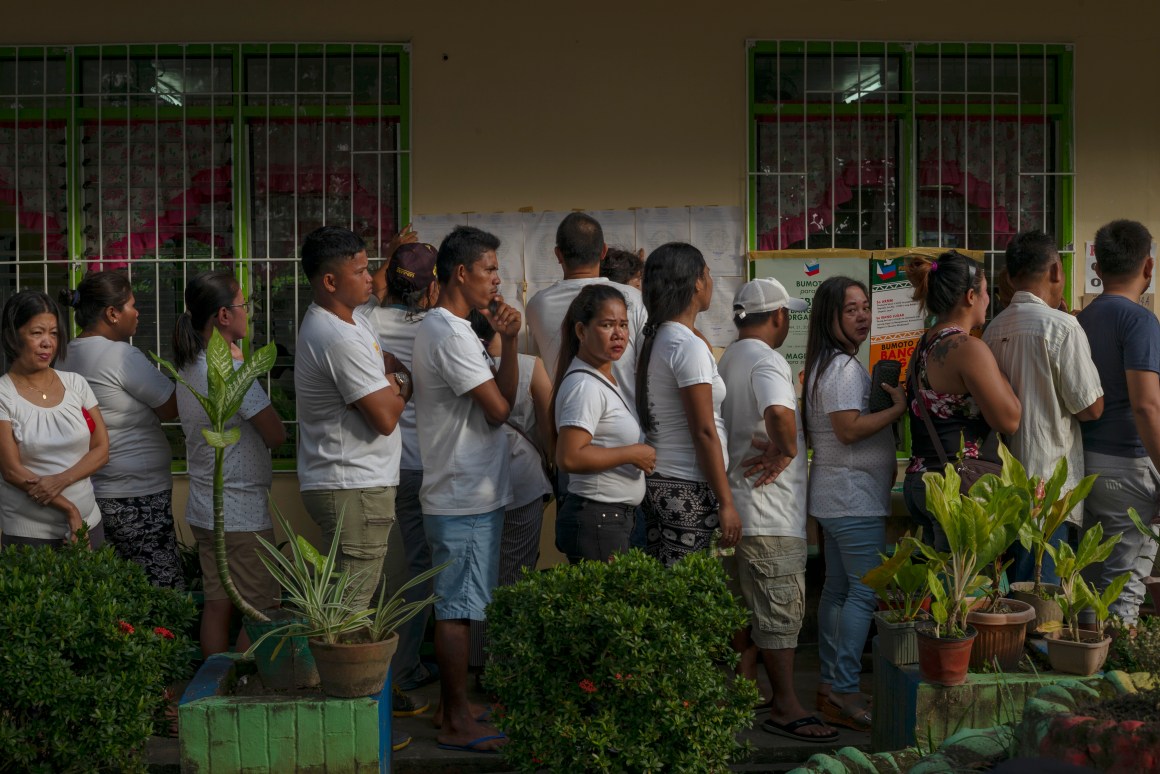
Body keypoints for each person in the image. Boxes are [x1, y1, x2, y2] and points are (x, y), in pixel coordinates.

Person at [412, 225, 520, 753]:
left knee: (463, 604)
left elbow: (501, 398)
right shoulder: (451, 334)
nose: (497, 282)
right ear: (461, 273)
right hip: (462, 494)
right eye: (490, 270)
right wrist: (511, 344)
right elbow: (500, 410)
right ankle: (455, 719)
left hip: (468, 488)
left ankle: (452, 708)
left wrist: (513, 342)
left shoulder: (454, 328)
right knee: (456, 610)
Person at [718, 278, 837, 743]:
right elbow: (780, 413)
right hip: (770, 511)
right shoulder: (767, 359)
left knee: (747, 609)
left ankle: (748, 689)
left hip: (740, 508)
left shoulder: (729, 356)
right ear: (778, 317)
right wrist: (787, 450)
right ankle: (787, 705)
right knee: (780, 613)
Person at [802, 276, 905, 732]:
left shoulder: (828, 364)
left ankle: (830, 686)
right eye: (851, 310)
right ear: (830, 316)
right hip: (851, 498)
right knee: (864, 591)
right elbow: (847, 430)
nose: (863, 316)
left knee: (840, 592)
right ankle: (844, 690)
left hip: (837, 496)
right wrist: (896, 411)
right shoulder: (841, 369)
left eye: (865, 307)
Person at [295, 226, 410, 613]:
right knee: (346, 613)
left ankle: (388, 675)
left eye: (368, 267)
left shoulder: (350, 317)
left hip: (362, 484)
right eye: (359, 271)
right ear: (330, 282)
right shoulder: (336, 337)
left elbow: (376, 286)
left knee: (383, 598)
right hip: (353, 486)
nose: (369, 278)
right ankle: (331, 676)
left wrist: (388, 381)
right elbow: (386, 417)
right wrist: (403, 381)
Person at [174, 271, 286, 657]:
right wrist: (244, 369)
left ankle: (212, 685)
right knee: (261, 607)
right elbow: (276, 434)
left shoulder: (191, 366)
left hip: (208, 507)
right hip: (240, 513)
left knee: (218, 604)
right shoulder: (232, 374)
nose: (248, 314)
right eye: (243, 306)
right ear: (223, 315)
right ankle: (238, 685)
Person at [983, 231, 1103, 584]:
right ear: (1055, 270)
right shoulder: (1063, 328)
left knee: (1017, 585)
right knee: (1043, 591)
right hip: (1049, 485)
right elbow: (1090, 408)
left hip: (1006, 482)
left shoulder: (993, 328)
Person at [59, 271, 184, 588]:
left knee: (114, 589)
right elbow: (171, 407)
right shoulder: (120, 355)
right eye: (132, 305)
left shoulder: (63, 357)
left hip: (93, 492)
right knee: (159, 585)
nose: (138, 312)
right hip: (138, 493)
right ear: (112, 313)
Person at [360, 237, 443, 696]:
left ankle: (373, 661)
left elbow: (373, 287)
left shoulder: (364, 320)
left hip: (381, 462)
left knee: (376, 570)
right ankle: (404, 667)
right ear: (432, 289)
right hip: (425, 463)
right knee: (417, 570)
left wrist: (394, 255)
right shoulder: (439, 327)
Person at [902, 251, 1020, 551]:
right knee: (967, 593)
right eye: (985, 292)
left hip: (922, 481)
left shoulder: (924, 345)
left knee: (944, 587)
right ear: (970, 296)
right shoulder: (967, 348)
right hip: (956, 489)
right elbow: (1009, 420)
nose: (988, 299)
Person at [636, 242, 740, 566]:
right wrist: (726, 502)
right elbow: (704, 430)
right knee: (691, 592)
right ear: (696, 282)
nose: (712, 281)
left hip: (664, 481)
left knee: (670, 591)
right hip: (687, 487)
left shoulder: (664, 337)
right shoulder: (685, 345)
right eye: (708, 273)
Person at [1077, 219, 1160, 627]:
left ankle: (1086, 682)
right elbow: (1147, 407)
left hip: (1085, 463)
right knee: (1125, 591)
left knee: (1094, 587)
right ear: (1148, 266)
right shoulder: (1140, 321)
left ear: (1097, 265)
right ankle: (1116, 689)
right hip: (1128, 465)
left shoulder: (1081, 320)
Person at [466, 308, 553, 667]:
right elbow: (549, 430)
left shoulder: (466, 366)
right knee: (515, 570)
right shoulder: (531, 367)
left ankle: (477, 659)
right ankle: (507, 663)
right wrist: (552, 467)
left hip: (475, 483)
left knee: (476, 571)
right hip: (523, 479)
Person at [553, 284, 654, 562]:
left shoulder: (603, 378)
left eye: (623, 324)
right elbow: (569, 456)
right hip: (598, 518)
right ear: (581, 331)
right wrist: (631, 453)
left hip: (612, 517)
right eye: (607, 325)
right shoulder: (584, 385)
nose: (619, 333)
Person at [0, 291, 108, 549]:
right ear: (13, 337)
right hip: (30, 536)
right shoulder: (4, 394)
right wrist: (70, 510)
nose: (47, 342)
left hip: (89, 526)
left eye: (54, 333)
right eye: (37, 333)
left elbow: (101, 449)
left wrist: (62, 480)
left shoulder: (76, 384)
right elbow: (12, 470)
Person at [526, 213, 647, 406]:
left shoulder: (537, 305)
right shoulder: (634, 297)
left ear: (558, 254)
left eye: (621, 324)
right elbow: (648, 364)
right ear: (603, 251)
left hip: (565, 416)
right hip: (625, 423)